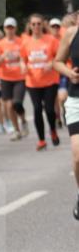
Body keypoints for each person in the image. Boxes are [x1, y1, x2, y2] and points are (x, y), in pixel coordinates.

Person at [21, 14, 60, 150]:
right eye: (34, 24)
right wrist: (23, 66)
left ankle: (53, 130)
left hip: (50, 81)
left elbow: (59, 56)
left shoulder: (51, 40)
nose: (36, 26)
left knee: (49, 109)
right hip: (33, 82)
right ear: (30, 26)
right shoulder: (26, 42)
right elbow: (22, 59)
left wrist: (51, 63)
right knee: (37, 109)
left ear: (43, 25)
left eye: (39, 23)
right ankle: (42, 140)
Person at [53, 20, 79, 219]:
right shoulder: (72, 33)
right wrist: (69, 73)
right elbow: (57, 62)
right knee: (78, 156)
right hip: (77, 100)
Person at [0, 17, 29, 140]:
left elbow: (27, 57)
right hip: (5, 78)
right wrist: (2, 57)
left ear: (15, 28)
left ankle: (23, 120)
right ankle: (16, 130)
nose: (9, 30)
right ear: (4, 29)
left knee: (17, 103)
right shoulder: (0, 44)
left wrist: (22, 61)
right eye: (7, 27)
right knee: (8, 106)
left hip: (20, 77)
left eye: (12, 27)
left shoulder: (22, 42)